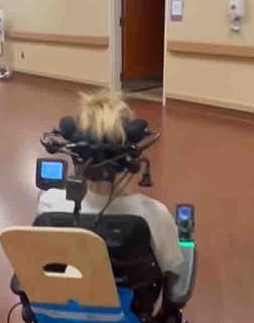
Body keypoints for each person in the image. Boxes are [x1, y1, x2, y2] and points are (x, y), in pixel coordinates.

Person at [38, 90, 183, 274]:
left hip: (63, 299)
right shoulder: (154, 215)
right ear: (130, 157)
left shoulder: (49, 203)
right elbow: (173, 270)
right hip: (134, 303)